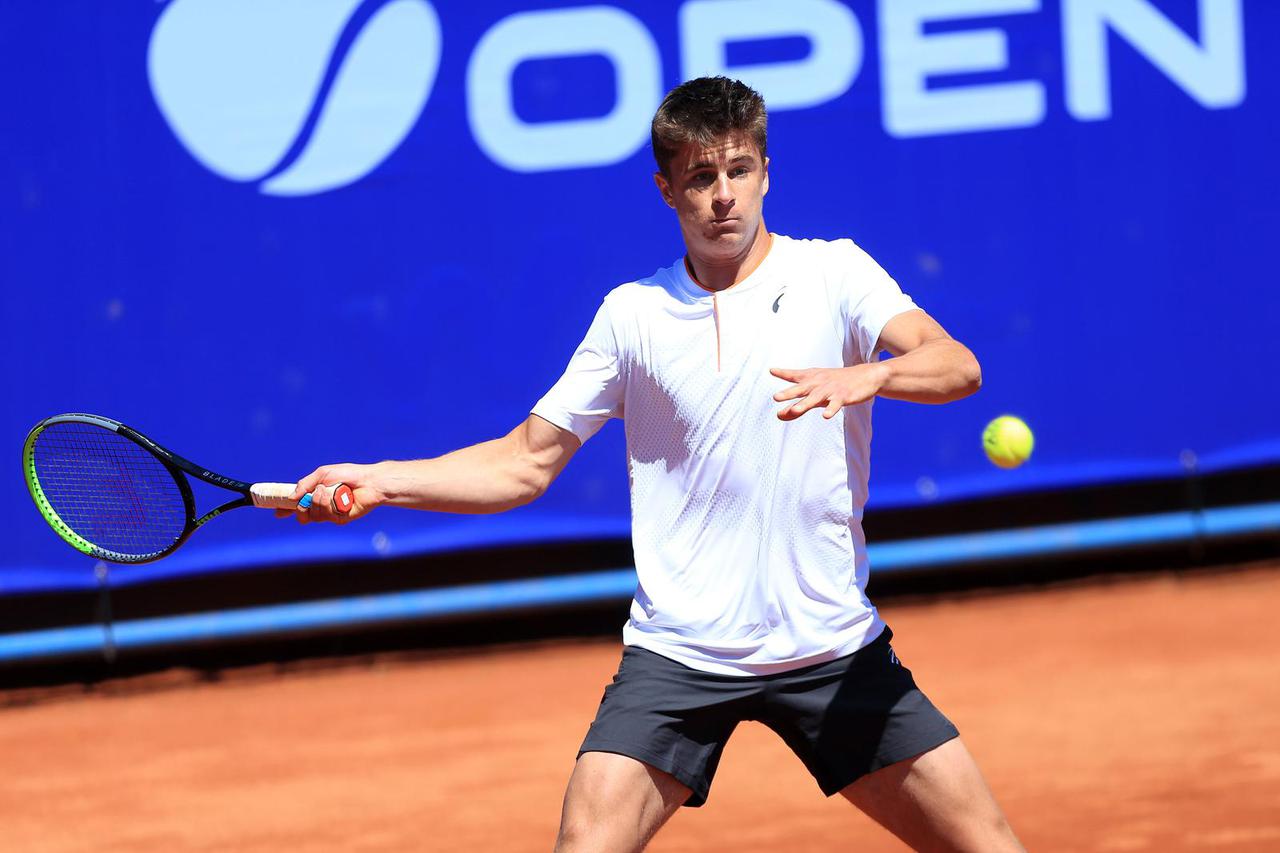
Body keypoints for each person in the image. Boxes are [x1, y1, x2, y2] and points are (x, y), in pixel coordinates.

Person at [283, 76, 1024, 852]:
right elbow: (524, 463)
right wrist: (381, 479)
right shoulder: (630, 315)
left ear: (767, 171)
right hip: (681, 654)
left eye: (739, 170)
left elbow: (957, 366)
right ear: (667, 188)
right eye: (701, 177)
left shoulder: (834, 274)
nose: (724, 196)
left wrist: (869, 373)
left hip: (831, 646)